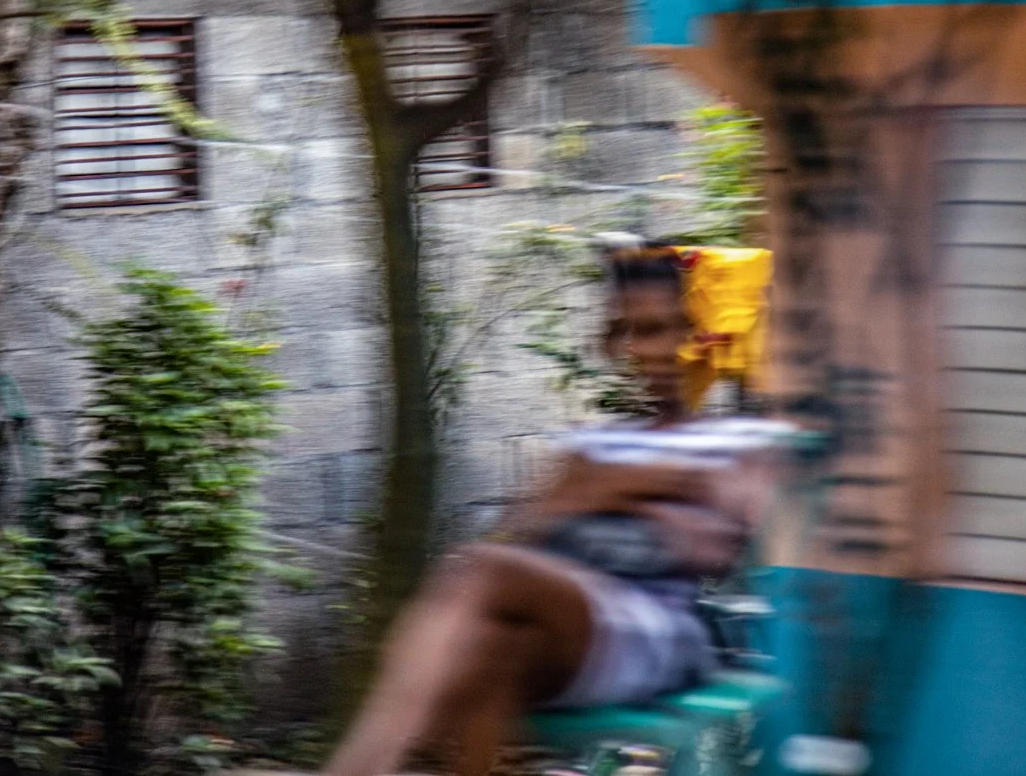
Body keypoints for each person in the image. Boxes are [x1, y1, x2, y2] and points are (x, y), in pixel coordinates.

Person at [323, 236, 796, 776]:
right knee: (488, 642)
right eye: (633, 333)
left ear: (696, 333)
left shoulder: (733, 441)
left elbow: (706, 550)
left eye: (662, 329)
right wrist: (648, 492)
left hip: (662, 640)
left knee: (477, 569)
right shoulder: (592, 446)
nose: (650, 351)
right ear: (615, 343)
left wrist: (592, 498)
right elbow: (523, 531)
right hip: (577, 638)